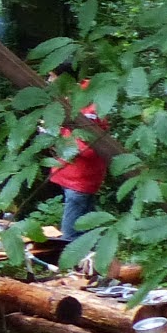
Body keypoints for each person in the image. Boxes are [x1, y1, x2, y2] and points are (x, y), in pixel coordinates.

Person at [47, 78, 110, 245]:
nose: (49, 80)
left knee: (70, 235)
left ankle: (73, 266)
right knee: (88, 229)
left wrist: (59, 140)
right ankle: (95, 262)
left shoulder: (90, 106)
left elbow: (90, 146)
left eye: (52, 76)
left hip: (80, 177)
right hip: (71, 174)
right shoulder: (71, 100)